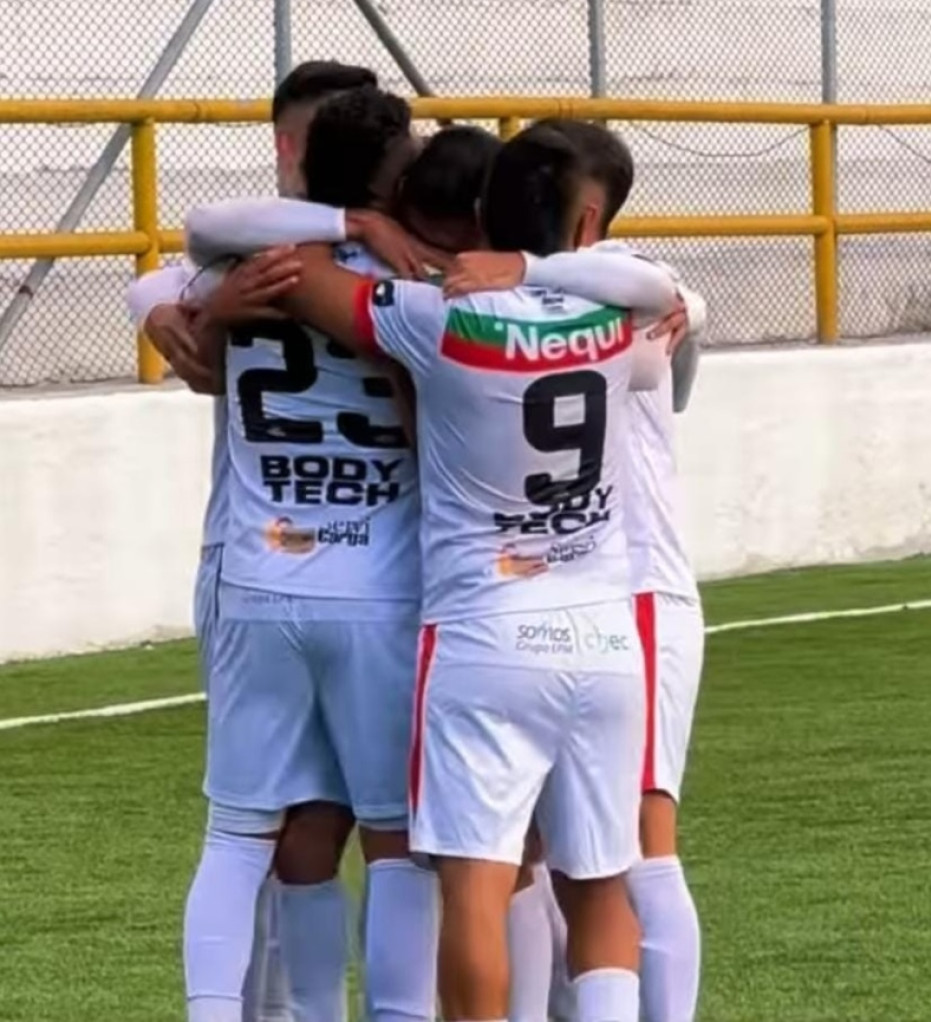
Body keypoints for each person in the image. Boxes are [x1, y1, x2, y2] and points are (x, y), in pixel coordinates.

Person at [253, 120, 683, 1022]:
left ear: (484, 209)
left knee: (476, 890)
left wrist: (366, 226)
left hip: (485, 637)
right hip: (604, 637)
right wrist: (536, 267)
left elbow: (299, 278)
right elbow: (659, 291)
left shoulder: (435, 317)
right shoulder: (618, 316)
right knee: (600, 888)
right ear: (585, 223)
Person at [126, 61, 387, 1022]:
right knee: (369, 838)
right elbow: (159, 279)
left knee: (268, 832)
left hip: (262, 572)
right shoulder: (406, 267)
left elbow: (172, 266)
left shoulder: (245, 259)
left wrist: (186, 308)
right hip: (365, 580)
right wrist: (176, 308)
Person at [446, 116, 708, 1022]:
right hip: (573, 601)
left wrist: (524, 268)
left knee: (637, 847)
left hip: (633, 588)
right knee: (528, 849)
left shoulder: (620, 281)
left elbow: (677, 303)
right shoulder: (600, 290)